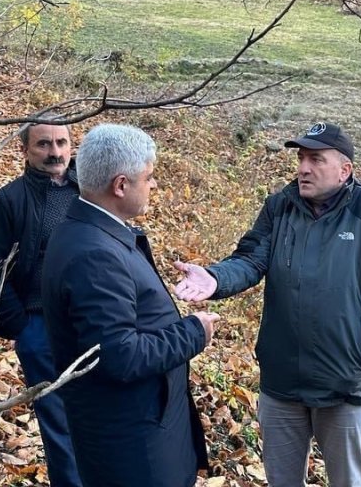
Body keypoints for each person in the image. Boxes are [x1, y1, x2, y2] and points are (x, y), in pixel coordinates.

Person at [173, 121, 361, 487]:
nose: (303, 167)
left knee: (349, 481)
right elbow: (251, 260)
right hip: (282, 381)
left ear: (344, 169)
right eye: (301, 158)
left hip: (343, 384)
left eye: (315, 159)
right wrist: (216, 278)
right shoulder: (280, 205)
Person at [41, 123, 219, 487]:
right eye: (148, 177)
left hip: (143, 432)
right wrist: (194, 332)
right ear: (121, 185)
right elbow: (119, 355)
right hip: (134, 449)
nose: (153, 185)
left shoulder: (91, 231)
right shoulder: (94, 254)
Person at [0, 121, 83, 487]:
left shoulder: (90, 191)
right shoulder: (10, 200)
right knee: (58, 423)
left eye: (61, 143)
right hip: (40, 327)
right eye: (43, 144)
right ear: (24, 150)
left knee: (103, 417)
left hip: (95, 321)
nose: (55, 152)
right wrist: (23, 328)